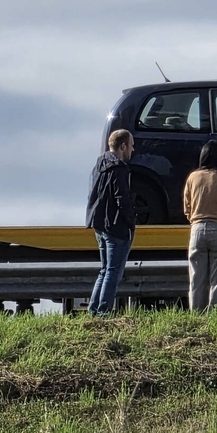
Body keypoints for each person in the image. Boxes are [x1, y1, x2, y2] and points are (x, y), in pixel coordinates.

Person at [85, 129, 136, 316]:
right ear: (122, 146)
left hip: (99, 224)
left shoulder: (100, 163)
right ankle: (104, 311)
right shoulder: (119, 168)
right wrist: (131, 221)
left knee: (104, 270)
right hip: (116, 226)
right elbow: (121, 198)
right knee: (114, 272)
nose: (132, 150)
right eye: (131, 146)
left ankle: (93, 309)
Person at [183, 139, 217, 311]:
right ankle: (213, 314)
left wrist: (196, 220)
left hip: (198, 228)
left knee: (196, 278)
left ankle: (195, 314)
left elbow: (187, 207)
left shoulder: (193, 177)